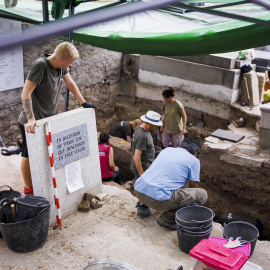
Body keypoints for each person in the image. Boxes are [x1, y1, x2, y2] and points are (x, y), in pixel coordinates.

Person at [18, 42, 97, 196]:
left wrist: (84, 103)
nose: (71, 65)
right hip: (32, 121)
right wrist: (31, 119)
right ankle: (28, 188)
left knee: (45, 153)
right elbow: (25, 93)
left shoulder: (61, 67)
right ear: (62, 60)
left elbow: (71, 83)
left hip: (48, 121)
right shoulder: (40, 66)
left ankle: (43, 182)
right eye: (70, 62)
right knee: (28, 155)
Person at [134, 138, 208, 230]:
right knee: (201, 194)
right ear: (194, 154)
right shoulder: (194, 161)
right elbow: (194, 187)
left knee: (156, 178)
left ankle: (142, 206)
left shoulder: (167, 150)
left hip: (139, 190)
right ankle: (167, 219)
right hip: (159, 201)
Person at [130, 110, 162, 218]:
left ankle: (139, 200)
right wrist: (142, 175)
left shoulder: (139, 126)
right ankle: (142, 206)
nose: (154, 127)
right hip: (143, 167)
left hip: (144, 165)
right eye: (154, 125)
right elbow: (136, 157)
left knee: (139, 185)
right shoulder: (143, 135)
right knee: (143, 187)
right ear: (149, 123)